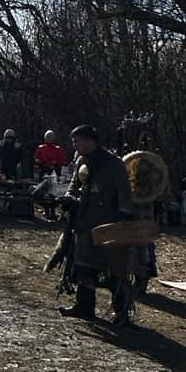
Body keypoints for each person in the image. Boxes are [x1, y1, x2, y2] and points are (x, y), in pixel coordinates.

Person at [58, 124, 136, 325]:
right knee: (84, 265)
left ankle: (121, 312)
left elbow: (124, 192)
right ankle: (84, 307)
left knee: (115, 270)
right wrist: (69, 198)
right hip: (85, 220)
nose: (75, 145)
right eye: (74, 142)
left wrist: (123, 219)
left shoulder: (113, 163)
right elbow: (75, 185)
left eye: (78, 141)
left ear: (90, 140)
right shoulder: (81, 161)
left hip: (109, 222)